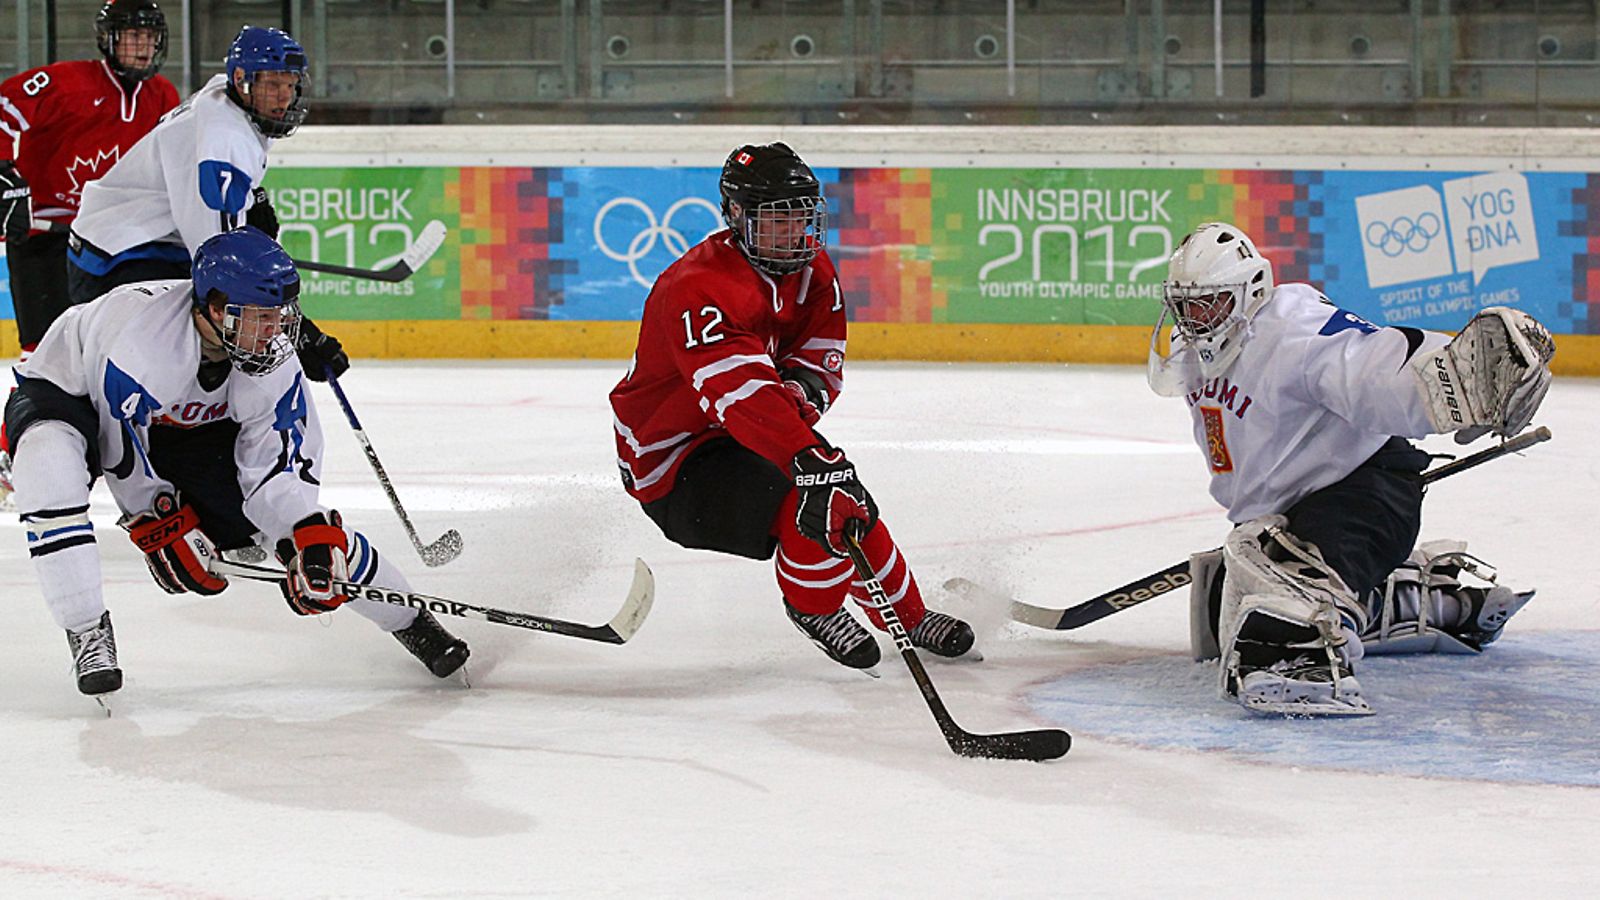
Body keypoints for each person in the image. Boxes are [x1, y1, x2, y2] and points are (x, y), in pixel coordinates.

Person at [4, 227, 467, 700]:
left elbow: (275, 472)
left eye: (281, 316)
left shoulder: (272, 356)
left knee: (313, 544)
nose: (274, 332)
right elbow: (120, 452)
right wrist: (159, 524)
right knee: (49, 470)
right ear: (215, 308)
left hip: (175, 424)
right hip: (64, 393)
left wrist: (301, 533)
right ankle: (87, 631)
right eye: (259, 317)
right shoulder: (143, 345)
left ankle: (416, 623)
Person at [1147, 221, 1555, 716]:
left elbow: (1367, 361)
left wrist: (1449, 382)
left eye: (1209, 302)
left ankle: (1315, 662)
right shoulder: (1197, 354)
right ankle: (1430, 604)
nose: (1195, 319)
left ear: (1250, 289)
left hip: (1365, 493)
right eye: (1185, 305)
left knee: (1281, 610)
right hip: (1293, 512)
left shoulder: (1292, 326)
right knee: (1226, 613)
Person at [609, 142, 974, 672]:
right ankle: (814, 607)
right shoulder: (695, 288)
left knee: (846, 498)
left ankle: (910, 616)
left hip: (750, 430)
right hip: (675, 459)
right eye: (777, 219)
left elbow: (819, 361)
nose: (795, 232)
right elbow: (738, 391)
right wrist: (802, 452)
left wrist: (799, 407)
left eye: (802, 216)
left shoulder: (814, 272)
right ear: (736, 216)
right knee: (808, 505)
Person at [64, 23, 346, 379]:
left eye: (289, 85)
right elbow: (218, 259)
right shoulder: (221, 142)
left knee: (210, 337)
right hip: (119, 254)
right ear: (243, 78)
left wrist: (246, 208)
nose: (283, 98)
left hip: (142, 239)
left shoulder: (227, 97)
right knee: (188, 349)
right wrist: (301, 333)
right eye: (272, 84)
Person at [0, 0, 180, 507]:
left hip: (109, 246)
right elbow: (5, 110)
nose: (140, 47)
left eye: (148, 38)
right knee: (44, 355)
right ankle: (13, 448)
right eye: (130, 37)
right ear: (108, 40)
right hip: (45, 236)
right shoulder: (66, 82)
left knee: (121, 356)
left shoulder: (163, 96)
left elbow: (182, 158)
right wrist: (4, 170)